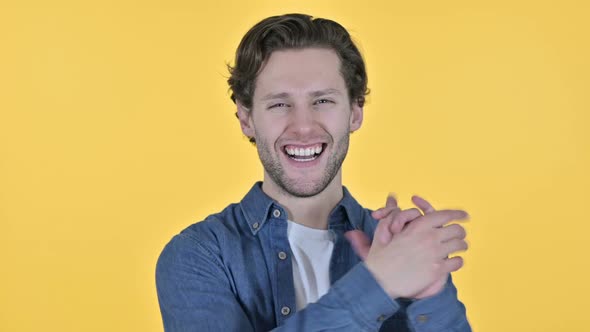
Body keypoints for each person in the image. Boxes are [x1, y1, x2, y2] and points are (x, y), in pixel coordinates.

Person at [156, 13, 471, 331]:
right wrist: (377, 284)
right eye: (279, 104)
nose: (303, 126)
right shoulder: (198, 255)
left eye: (322, 100)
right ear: (246, 118)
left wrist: (432, 294)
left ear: (355, 112)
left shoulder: (403, 253)